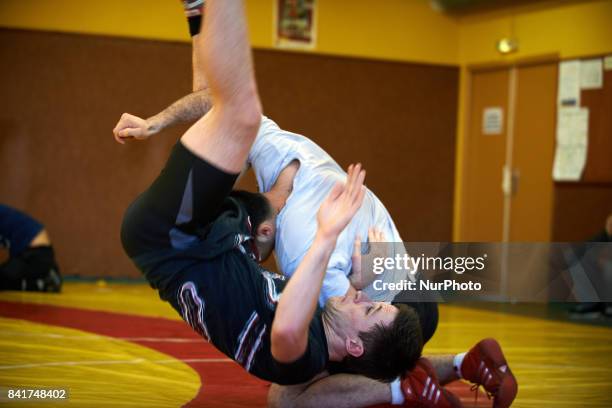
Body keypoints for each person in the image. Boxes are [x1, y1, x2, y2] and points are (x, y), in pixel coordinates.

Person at [117, 0, 422, 387]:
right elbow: (213, 99)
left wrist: (327, 236)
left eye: (369, 309)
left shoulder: (305, 353)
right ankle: (198, 12)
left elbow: (284, 335)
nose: (361, 297)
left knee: (240, 114)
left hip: (172, 240)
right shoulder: (326, 313)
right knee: (230, 113)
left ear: (354, 346)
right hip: (206, 233)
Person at [0, 204, 62, 292]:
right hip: (37, 254)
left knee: (3, 279)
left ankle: (45, 279)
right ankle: (43, 278)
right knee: (5, 279)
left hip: (34, 255)